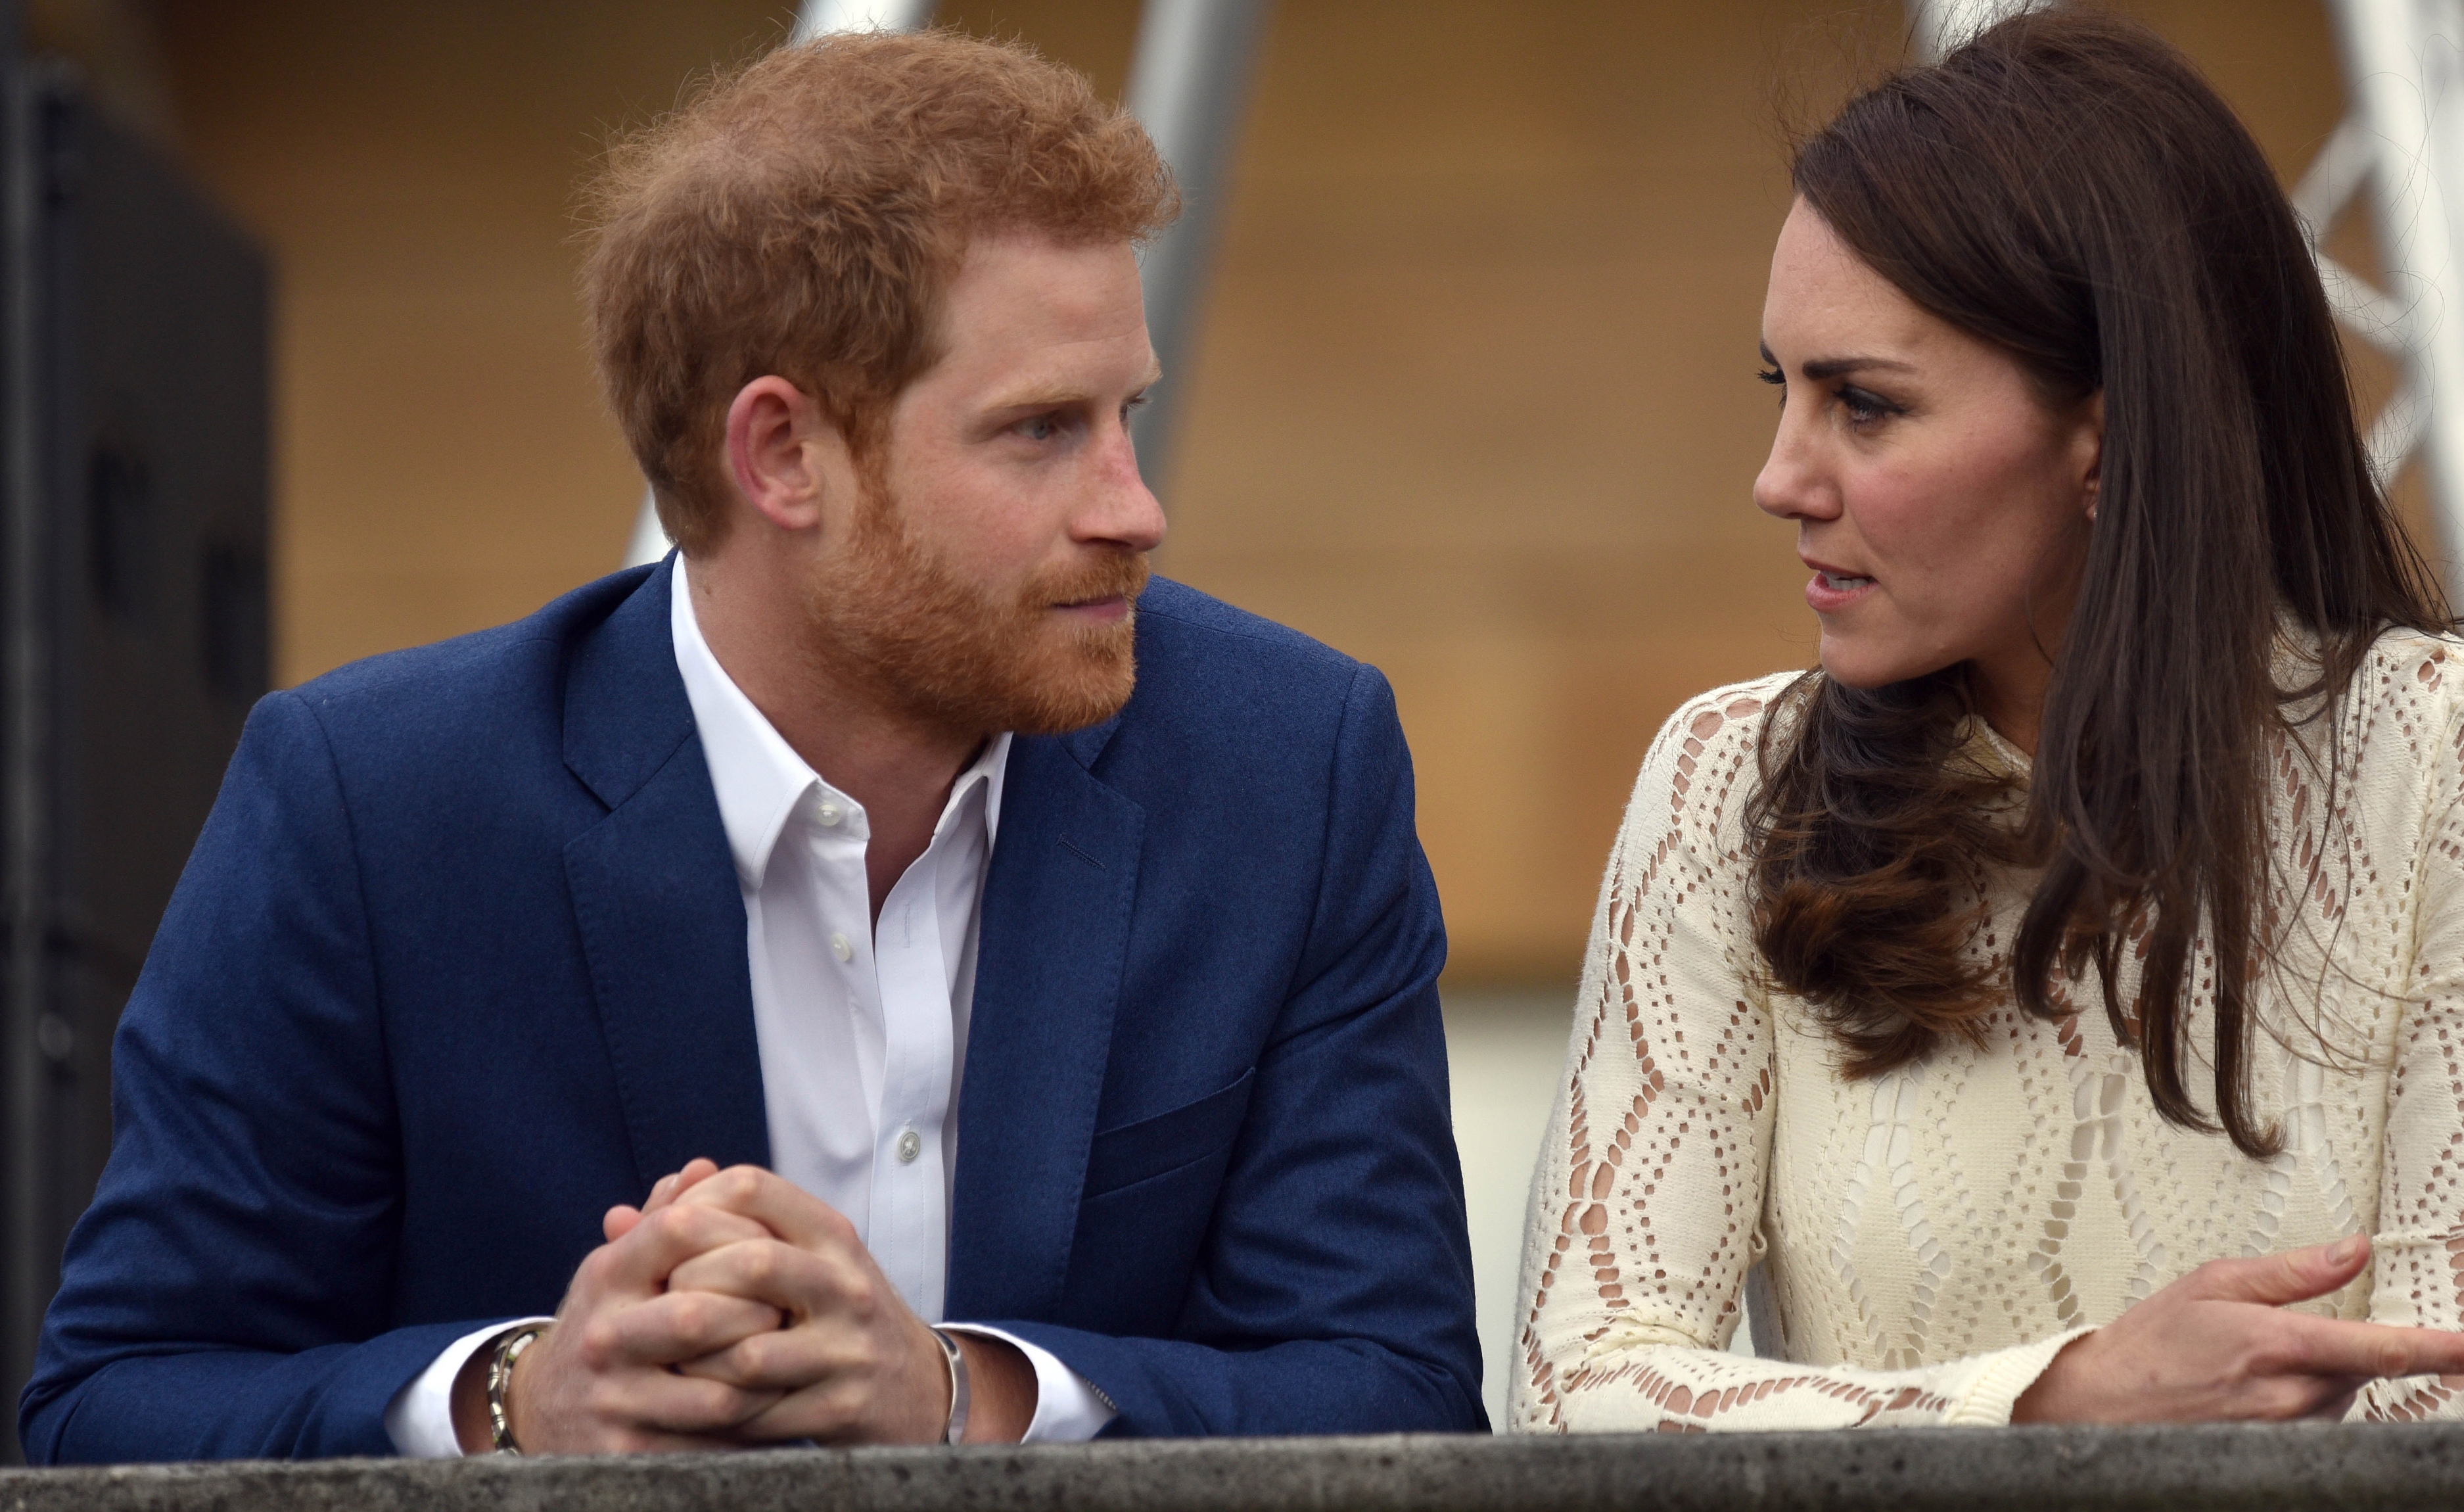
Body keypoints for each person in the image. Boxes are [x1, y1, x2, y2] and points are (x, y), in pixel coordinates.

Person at [21, 30, 1483, 1461]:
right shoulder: (372, 804)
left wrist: (960, 1393)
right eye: (1042, 431)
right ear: (781, 454)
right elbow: (111, 1402)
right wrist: (517, 1401)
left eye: (1128, 414)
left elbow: (1402, 1389)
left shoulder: (1291, 769)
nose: (1134, 505)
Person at [1514, 11, 2464, 1431]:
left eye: (1863, 405)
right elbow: (1574, 1387)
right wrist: (2050, 1408)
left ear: (2103, 433)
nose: (1778, 477)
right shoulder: (1732, 779)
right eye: (1778, 389)